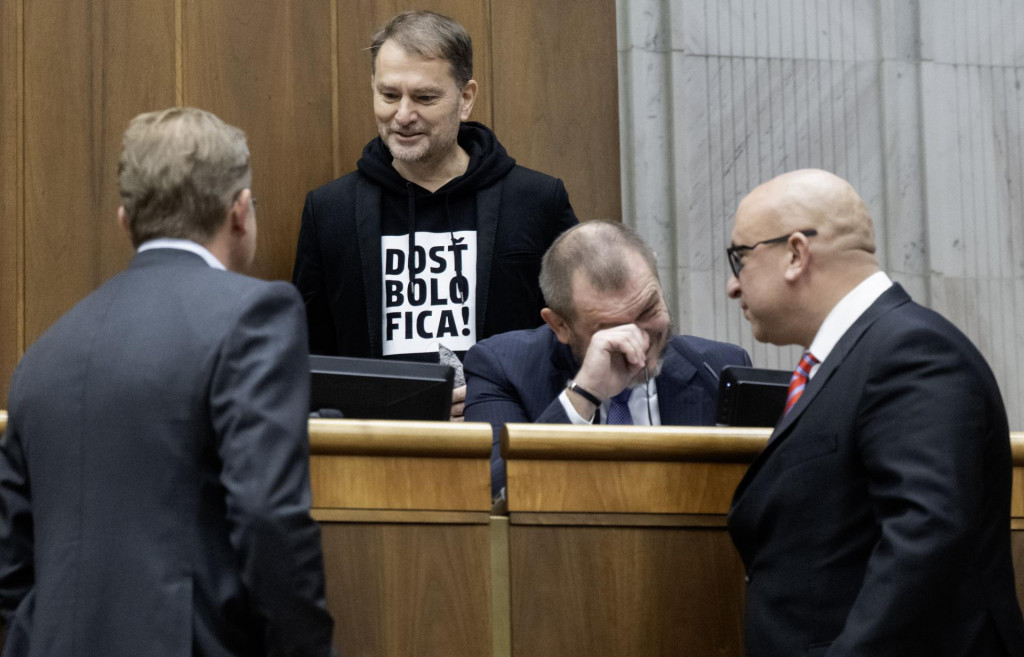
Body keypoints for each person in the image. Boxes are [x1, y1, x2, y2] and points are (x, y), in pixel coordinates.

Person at [0, 108, 334, 656]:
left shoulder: (44, 352)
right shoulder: (255, 314)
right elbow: (267, 515)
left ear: (125, 221)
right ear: (240, 213)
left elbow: (13, 562)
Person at [726, 169, 1024, 656]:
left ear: (796, 254)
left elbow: (926, 535)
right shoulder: (859, 357)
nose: (732, 286)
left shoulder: (911, 352)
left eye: (739, 258)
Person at [292, 10, 578, 420]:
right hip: (375, 453)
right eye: (389, 95)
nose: (403, 115)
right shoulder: (329, 210)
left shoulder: (535, 201)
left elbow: (574, 334)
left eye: (425, 98)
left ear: (465, 99)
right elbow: (307, 354)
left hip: (505, 443)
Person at [465, 220, 750, 500]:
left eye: (649, 310)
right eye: (611, 329)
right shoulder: (502, 368)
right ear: (560, 326)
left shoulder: (719, 367)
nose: (639, 338)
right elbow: (490, 495)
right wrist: (584, 393)